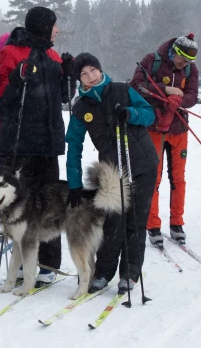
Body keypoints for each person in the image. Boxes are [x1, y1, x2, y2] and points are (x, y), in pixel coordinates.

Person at [0, 6, 74, 283]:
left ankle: (48, 265)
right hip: (20, 144)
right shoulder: (11, 53)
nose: (57, 30)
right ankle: (18, 265)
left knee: (49, 204)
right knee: (18, 205)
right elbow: (1, 95)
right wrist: (16, 78)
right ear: (42, 26)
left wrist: (69, 74)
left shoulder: (51, 55)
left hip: (47, 144)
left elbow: (63, 97)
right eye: (54, 25)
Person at [66, 53, 157, 293]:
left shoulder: (121, 90)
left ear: (100, 69)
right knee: (112, 223)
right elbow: (73, 145)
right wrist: (74, 184)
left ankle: (130, 273)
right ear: (79, 80)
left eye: (92, 70)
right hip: (112, 171)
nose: (90, 77)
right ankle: (104, 272)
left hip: (142, 165)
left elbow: (150, 113)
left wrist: (130, 114)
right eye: (84, 74)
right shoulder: (81, 107)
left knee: (136, 221)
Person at [131, 34, 199, 246]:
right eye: (183, 59)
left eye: (189, 62)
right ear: (175, 52)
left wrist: (178, 100)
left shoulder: (190, 70)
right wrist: (165, 90)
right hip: (154, 128)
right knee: (154, 177)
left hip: (179, 129)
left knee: (178, 177)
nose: (185, 64)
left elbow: (192, 96)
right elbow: (136, 86)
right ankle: (152, 224)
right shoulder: (152, 60)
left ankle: (177, 223)